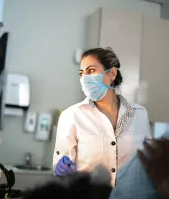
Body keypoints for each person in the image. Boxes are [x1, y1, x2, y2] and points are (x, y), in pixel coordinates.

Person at [53, 47, 152, 186]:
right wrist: (61, 170)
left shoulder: (139, 114)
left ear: (112, 73)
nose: (84, 78)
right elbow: (61, 168)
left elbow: (150, 162)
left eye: (91, 70)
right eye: (81, 73)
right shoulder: (71, 116)